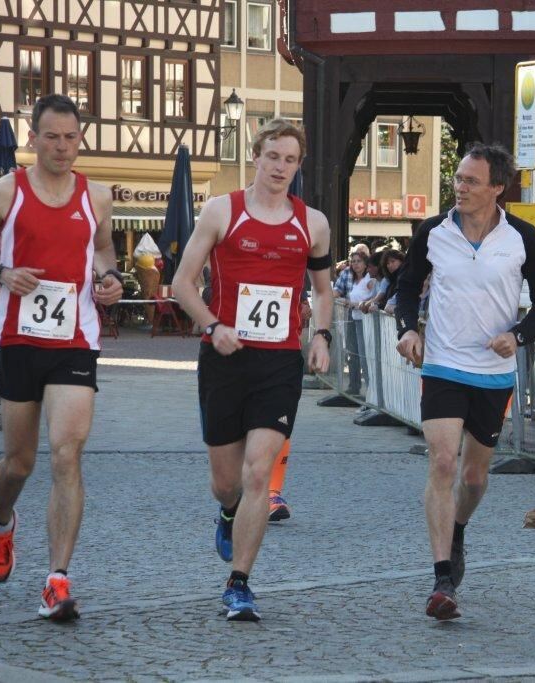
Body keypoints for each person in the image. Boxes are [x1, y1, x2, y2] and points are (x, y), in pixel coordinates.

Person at [0, 94, 124, 621]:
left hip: (75, 339)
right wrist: (1, 274)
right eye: (52, 137)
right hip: (20, 339)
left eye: (71, 137)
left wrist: (109, 280)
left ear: (80, 138)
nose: (62, 147)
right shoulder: (7, 192)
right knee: (18, 464)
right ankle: (3, 524)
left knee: (66, 454)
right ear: (34, 138)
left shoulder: (97, 194)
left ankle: (56, 580)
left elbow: (105, 252)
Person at [170, 118, 333, 621]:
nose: (280, 167)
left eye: (290, 159)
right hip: (224, 357)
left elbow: (324, 291)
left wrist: (320, 336)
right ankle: (226, 512)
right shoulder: (223, 210)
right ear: (256, 157)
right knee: (228, 482)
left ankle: (239, 582)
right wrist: (213, 325)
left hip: (278, 361)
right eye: (273, 156)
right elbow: (182, 283)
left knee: (259, 471)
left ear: (297, 166)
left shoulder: (313, 223)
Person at [395, 142, 535, 620]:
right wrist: (408, 327)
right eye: (458, 178)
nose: (459, 187)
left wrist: (519, 335)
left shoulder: (522, 236)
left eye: (470, 181)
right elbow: (407, 286)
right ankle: (442, 578)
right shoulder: (433, 232)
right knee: (443, 462)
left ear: (497, 188)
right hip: (444, 363)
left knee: (474, 475)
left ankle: (458, 527)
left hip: (493, 373)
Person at [336, 250, 374, 395]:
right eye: (353, 261)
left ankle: (371, 391)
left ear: (365, 264)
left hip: (366, 321)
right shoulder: (353, 278)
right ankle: (354, 387)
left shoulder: (370, 279)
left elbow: (374, 298)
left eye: (359, 261)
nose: (355, 264)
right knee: (353, 352)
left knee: (365, 357)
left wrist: (351, 303)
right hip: (354, 318)